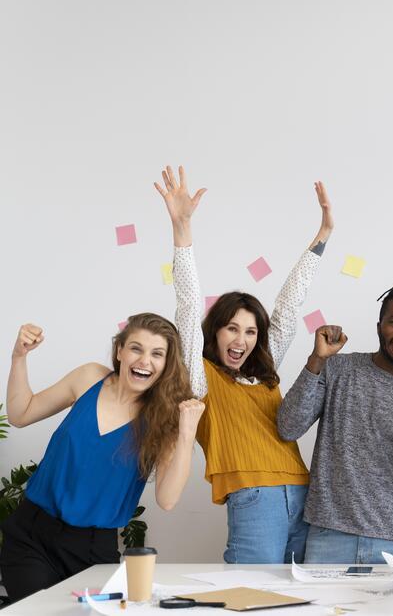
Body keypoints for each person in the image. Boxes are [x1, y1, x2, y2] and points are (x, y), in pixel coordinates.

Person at [156, 165, 332, 564]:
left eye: (251, 332)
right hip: (254, 497)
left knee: (304, 603)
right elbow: (187, 306)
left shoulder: (264, 374)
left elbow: (287, 309)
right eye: (232, 329)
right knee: (253, 598)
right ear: (214, 332)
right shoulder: (199, 378)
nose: (242, 340)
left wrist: (322, 237)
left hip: (304, 494)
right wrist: (182, 229)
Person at [0, 314, 203, 602]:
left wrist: (186, 433)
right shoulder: (89, 378)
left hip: (93, 549)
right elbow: (21, 413)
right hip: (33, 535)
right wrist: (19, 357)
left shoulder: (165, 420)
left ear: (166, 365)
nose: (145, 360)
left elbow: (167, 499)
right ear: (120, 351)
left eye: (157, 354)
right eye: (136, 348)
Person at [277, 284, 393, 564]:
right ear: (379, 326)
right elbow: (288, 426)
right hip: (329, 534)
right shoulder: (338, 368)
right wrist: (317, 360)